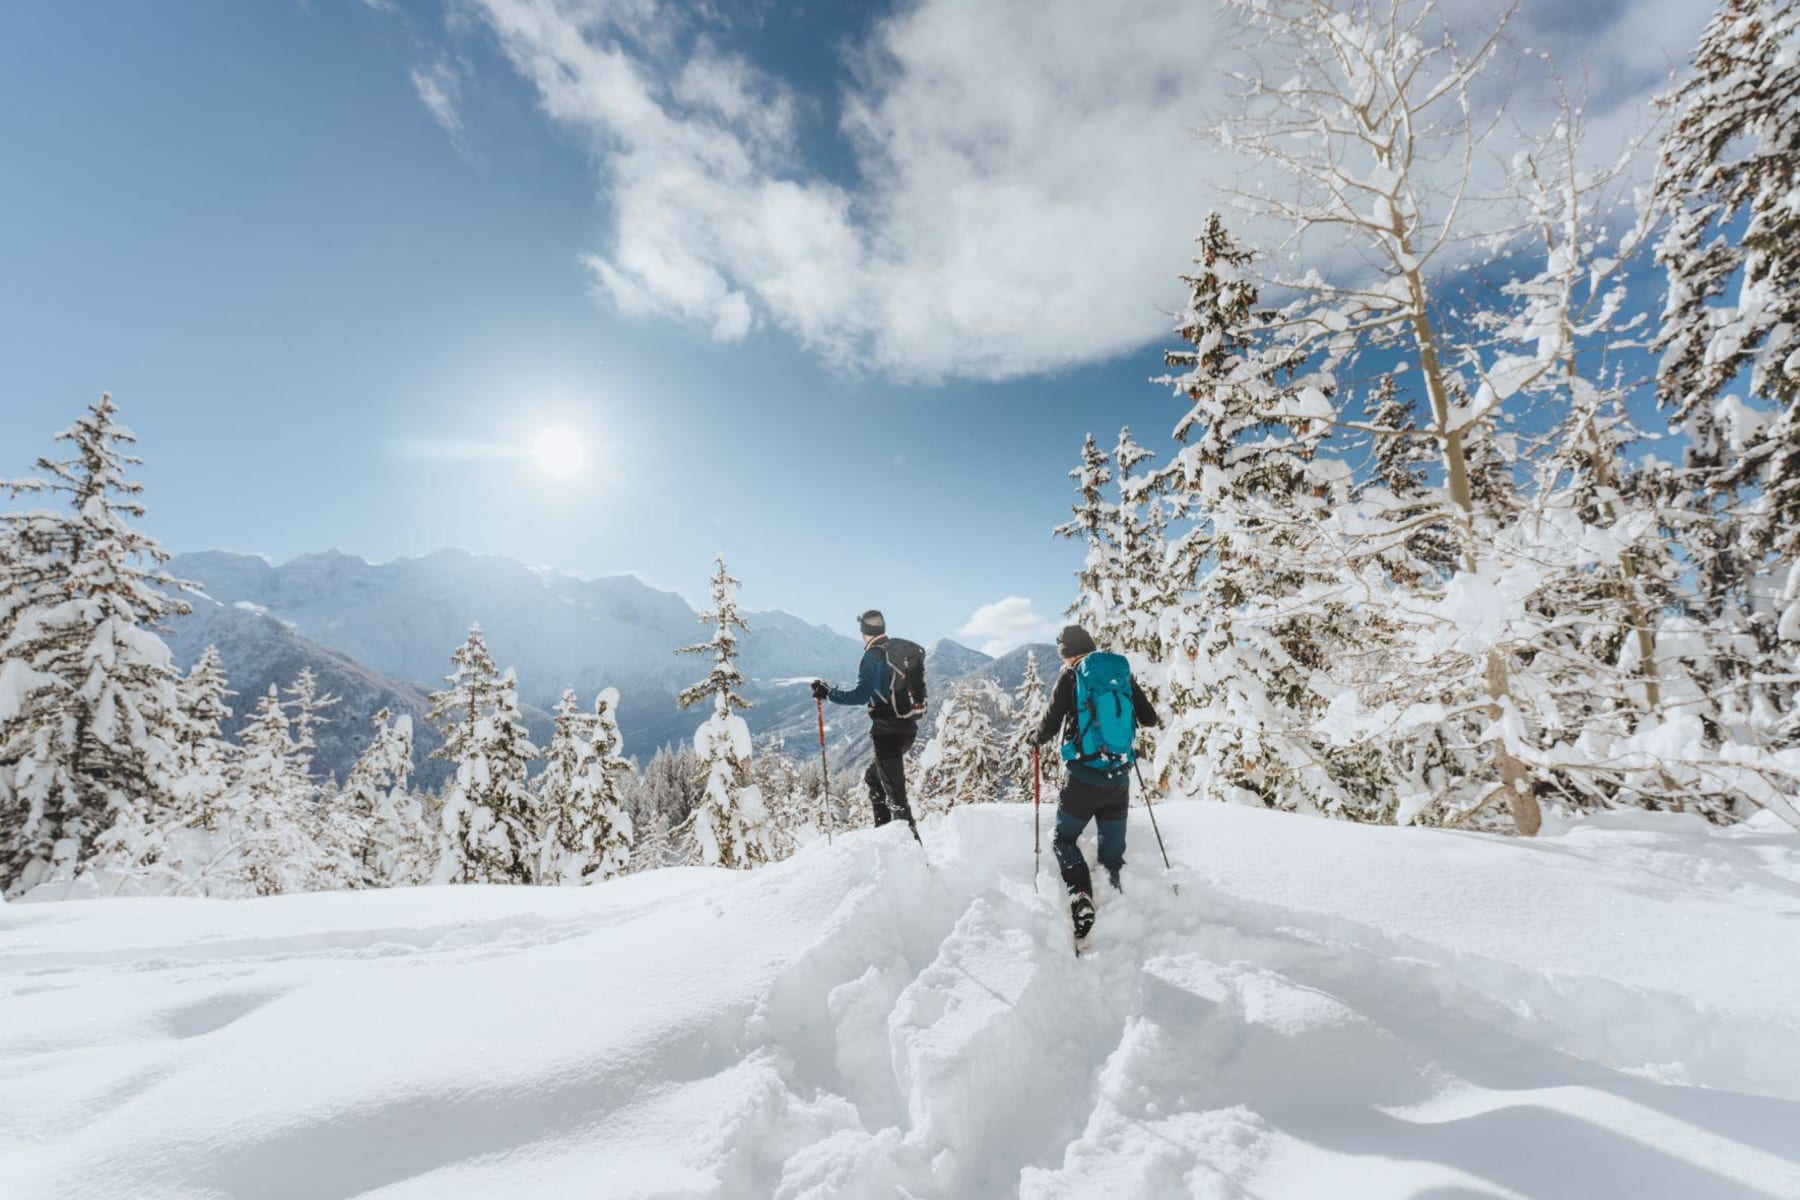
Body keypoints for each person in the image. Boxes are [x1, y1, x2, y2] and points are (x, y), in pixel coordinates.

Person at [1033, 623, 1159, 938]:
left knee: (1064, 839)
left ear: (1066, 654)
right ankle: (1116, 902)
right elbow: (1149, 718)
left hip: (1082, 779)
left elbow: (1049, 724)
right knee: (1112, 850)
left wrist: (1034, 739)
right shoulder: (1121, 675)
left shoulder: (1071, 677)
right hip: (1118, 779)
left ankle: (1081, 894)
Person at [812, 609, 924, 840]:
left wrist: (828, 694)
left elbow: (861, 695)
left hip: (887, 734)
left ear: (863, 631)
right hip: (907, 729)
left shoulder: (873, 655)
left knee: (897, 801)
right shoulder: (898, 650)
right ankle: (883, 839)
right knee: (874, 779)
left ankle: (915, 858)